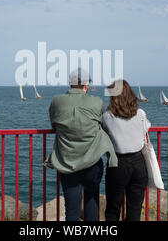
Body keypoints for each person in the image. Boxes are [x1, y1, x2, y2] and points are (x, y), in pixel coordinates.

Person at [45, 68, 118, 221]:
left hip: (67, 163)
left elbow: (53, 124)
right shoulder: (96, 102)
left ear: (70, 84)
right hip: (92, 163)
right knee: (92, 202)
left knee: (72, 211)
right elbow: (100, 123)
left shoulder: (57, 101)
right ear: (86, 85)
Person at [102, 79, 151, 221]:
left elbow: (104, 131)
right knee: (134, 210)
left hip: (118, 164)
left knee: (113, 209)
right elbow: (146, 128)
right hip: (139, 164)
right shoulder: (140, 113)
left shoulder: (107, 116)